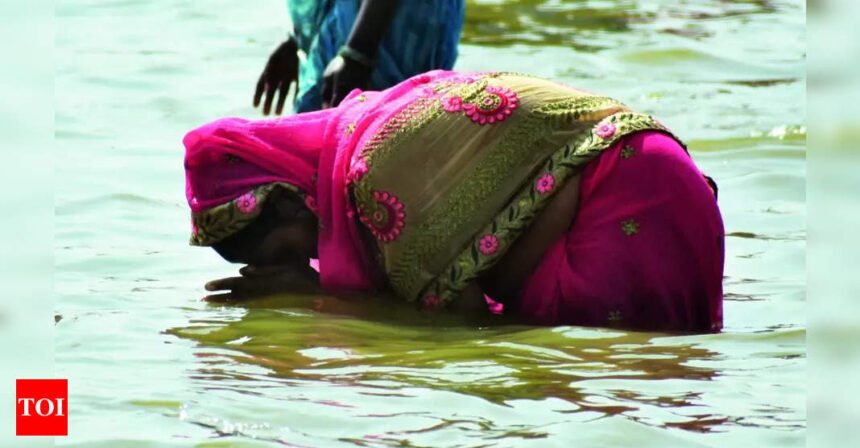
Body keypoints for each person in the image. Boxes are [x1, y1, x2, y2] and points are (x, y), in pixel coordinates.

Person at [186, 70, 725, 333]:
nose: (299, 263)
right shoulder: (370, 123)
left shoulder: (374, 180)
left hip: (631, 206)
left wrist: (318, 303)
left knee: (535, 373)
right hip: (669, 184)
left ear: (289, 202)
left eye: (283, 251)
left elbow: (460, 329)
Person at [254, 0, 465, 115]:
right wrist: (299, 38)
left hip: (385, 33)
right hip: (354, 30)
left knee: (380, 143)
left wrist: (358, 52)